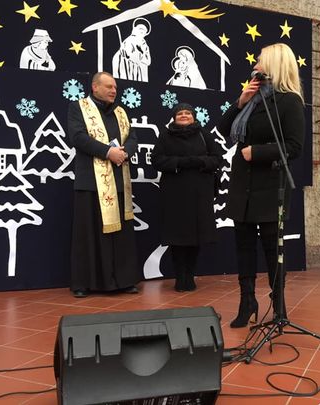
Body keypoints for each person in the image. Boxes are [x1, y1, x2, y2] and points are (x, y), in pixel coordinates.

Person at [217, 43, 305, 328]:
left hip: (270, 185)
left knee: (271, 248)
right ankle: (247, 302)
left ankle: (279, 305)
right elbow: (223, 129)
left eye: (260, 61)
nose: (255, 65)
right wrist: (240, 102)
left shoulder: (290, 101)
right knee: (243, 246)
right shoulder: (252, 99)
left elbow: (294, 146)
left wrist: (257, 152)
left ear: (275, 64)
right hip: (242, 183)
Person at [67, 72, 142, 297]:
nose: (113, 91)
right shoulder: (78, 108)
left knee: (120, 236)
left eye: (115, 87)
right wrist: (108, 152)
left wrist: (124, 153)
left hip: (118, 181)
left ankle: (124, 280)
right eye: (109, 87)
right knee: (88, 235)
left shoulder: (121, 112)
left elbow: (132, 138)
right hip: (90, 183)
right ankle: (84, 283)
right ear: (94, 87)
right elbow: (78, 137)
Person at [151, 103, 221, 291]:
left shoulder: (204, 135)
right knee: (177, 237)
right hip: (174, 195)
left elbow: (217, 159)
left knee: (195, 237)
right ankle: (179, 276)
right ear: (174, 117)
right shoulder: (165, 136)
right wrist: (180, 163)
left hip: (200, 194)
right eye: (180, 113)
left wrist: (198, 162)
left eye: (188, 113)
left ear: (194, 117)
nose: (184, 115)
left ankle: (189, 275)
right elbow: (156, 160)